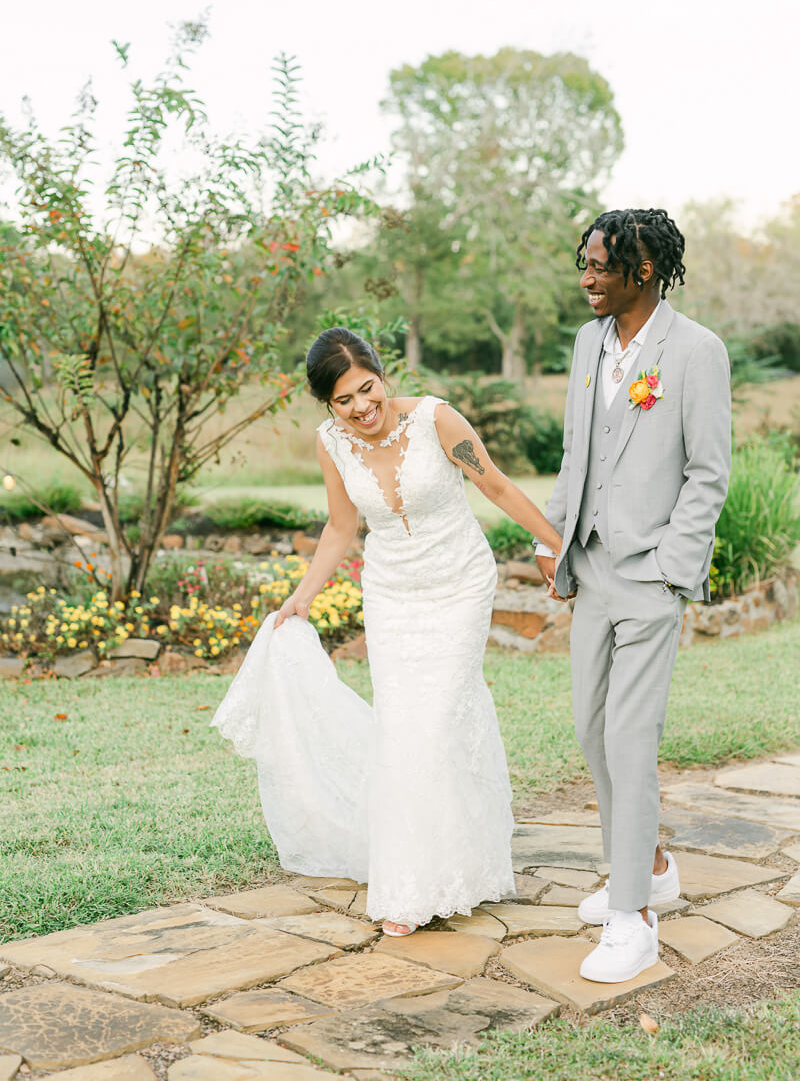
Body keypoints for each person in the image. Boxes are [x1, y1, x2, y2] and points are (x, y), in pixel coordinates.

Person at [214, 327, 562, 938]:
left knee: (438, 719)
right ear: (329, 405)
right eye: (344, 400)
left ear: (382, 376)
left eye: (367, 390)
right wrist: (301, 598)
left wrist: (558, 545)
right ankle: (413, 883)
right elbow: (341, 526)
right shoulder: (332, 444)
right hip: (392, 596)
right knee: (405, 730)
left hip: (458, 586)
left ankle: (450, 867)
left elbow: (496, 486)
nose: (361, 409)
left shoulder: (437, 421)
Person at [535, 208, 731, 983]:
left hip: (651, 576)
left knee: (630, 738)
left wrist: (672, 568)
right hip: (590, 571)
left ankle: (633, 918)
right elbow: (575, 452)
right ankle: (645, 866)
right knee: (591, 729)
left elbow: (708, 472)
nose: (585, 278)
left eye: (598, 266)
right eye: (582, 264)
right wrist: (555, 541)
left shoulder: (697, 352)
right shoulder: (589, 343)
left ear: (642, 270)